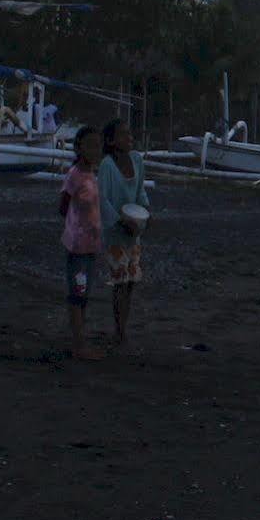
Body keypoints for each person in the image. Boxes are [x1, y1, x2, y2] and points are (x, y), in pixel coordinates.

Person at [98, 118, 151, 352]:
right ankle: (119, 330)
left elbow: (140, 192)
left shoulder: (137, 160)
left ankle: (122, 327)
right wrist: (121, 221)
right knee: (120, 282)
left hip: (133, 232)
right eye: (123, 135)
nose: (129, 138)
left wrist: (146, 214)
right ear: (111, 141)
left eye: (130, 134)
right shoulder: (106, 165)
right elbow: (102, 200)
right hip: (115, 234)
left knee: (131, 283)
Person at [59, 126, 105, 361]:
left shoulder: (92, 173)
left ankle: (80, 339)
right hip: (78, 245)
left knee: (84, 292)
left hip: (91, 245)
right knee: (78, 292)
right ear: (78, 147)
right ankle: (78, 344)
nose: (95, 150)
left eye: (98, 145)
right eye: (90, 145)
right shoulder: (75, 174)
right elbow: (63, 205)